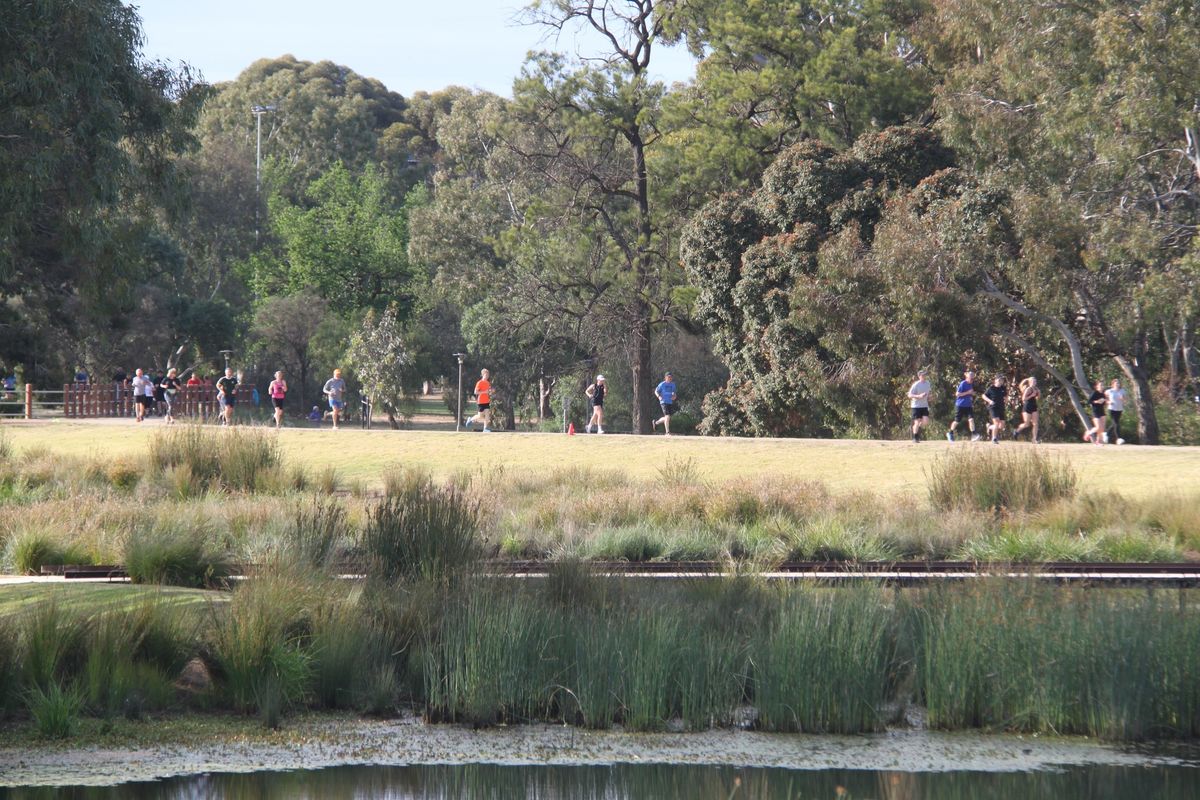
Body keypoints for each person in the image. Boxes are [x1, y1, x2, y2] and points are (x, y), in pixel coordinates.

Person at [947, 370, 979, 442]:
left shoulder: (971, 384)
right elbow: (957, 394)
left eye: (973, 378)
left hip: (968, 405)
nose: (972, 380)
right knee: (957, 421)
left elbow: (969, 393)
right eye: (971, 378)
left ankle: (973, 434)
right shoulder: (963, 383)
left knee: (971, 419)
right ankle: (950, 433)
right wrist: (968, 392)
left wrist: (972, 394)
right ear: (967, 377)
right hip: (960, 405)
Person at [1013, 377, 1040, 443]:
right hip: (1027, 407)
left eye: (1035, 382)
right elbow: (1023, 399)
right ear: (1030, 382)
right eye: (1033, 382)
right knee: (1026, 424)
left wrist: (1038, 394)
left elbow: (1037, 398)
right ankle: (1016, 431)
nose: (1034, 383)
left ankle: (1034, 439)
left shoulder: (1036, 389)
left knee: (1035, 423)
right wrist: (1031, 395)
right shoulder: (1028, 389)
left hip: (1034, 407)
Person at [907, 369, 931, 443]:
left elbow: (928, 392)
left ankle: (915, 427)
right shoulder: (916, 384)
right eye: (923, 375)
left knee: (926, 421)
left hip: (924, 405)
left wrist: (930, 397)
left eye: (925, 375)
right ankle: (915, 438)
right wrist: (919, 396)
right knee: (917, 422)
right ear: (919, 376)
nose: (924, 376)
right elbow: (909, 395)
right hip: (916, 406)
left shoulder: (928, 383)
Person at [981, 375, 1007, 444]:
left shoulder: (1003, 388)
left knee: (1001, 426)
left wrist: (1006, 401)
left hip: (1001, 407)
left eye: (1001, 380)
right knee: (997, 422)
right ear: (995, 380)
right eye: (999, 380)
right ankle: (994, 439)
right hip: (993, 407)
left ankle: (989, 427)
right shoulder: (991, 388)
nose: (1000, 381)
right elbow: (983, 396)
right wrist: (989, 401)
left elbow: (1005, 396)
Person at [1085, 379, 1108, 444]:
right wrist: (1097, 401)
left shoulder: (1103, 394)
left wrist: (1104, 401)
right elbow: (1089, 401)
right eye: (1100, 385)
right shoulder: (1095, 393)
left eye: (1102, 385)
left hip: (1102, 412)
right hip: (1095, 412)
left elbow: (1103, 403)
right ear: (1097, 386)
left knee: (1102, 429)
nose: (1102, 386)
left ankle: (1098, 441)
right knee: (1098, 427)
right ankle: (1088, 433)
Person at [1106, 378, 1127, 445]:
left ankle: (1106, 434)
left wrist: (1122, 399)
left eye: (1118, 383)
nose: (1117, 384)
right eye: (1116, 383)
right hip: (1112, 409)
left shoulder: (1122, 391)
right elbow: (1104, 398)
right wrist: (1108, 402)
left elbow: (1125, 401)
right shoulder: (1109, 391)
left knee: (1114, 424)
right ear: (1113, 384)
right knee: (1116, 424)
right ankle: (1119, 438)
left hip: (1119, 409)